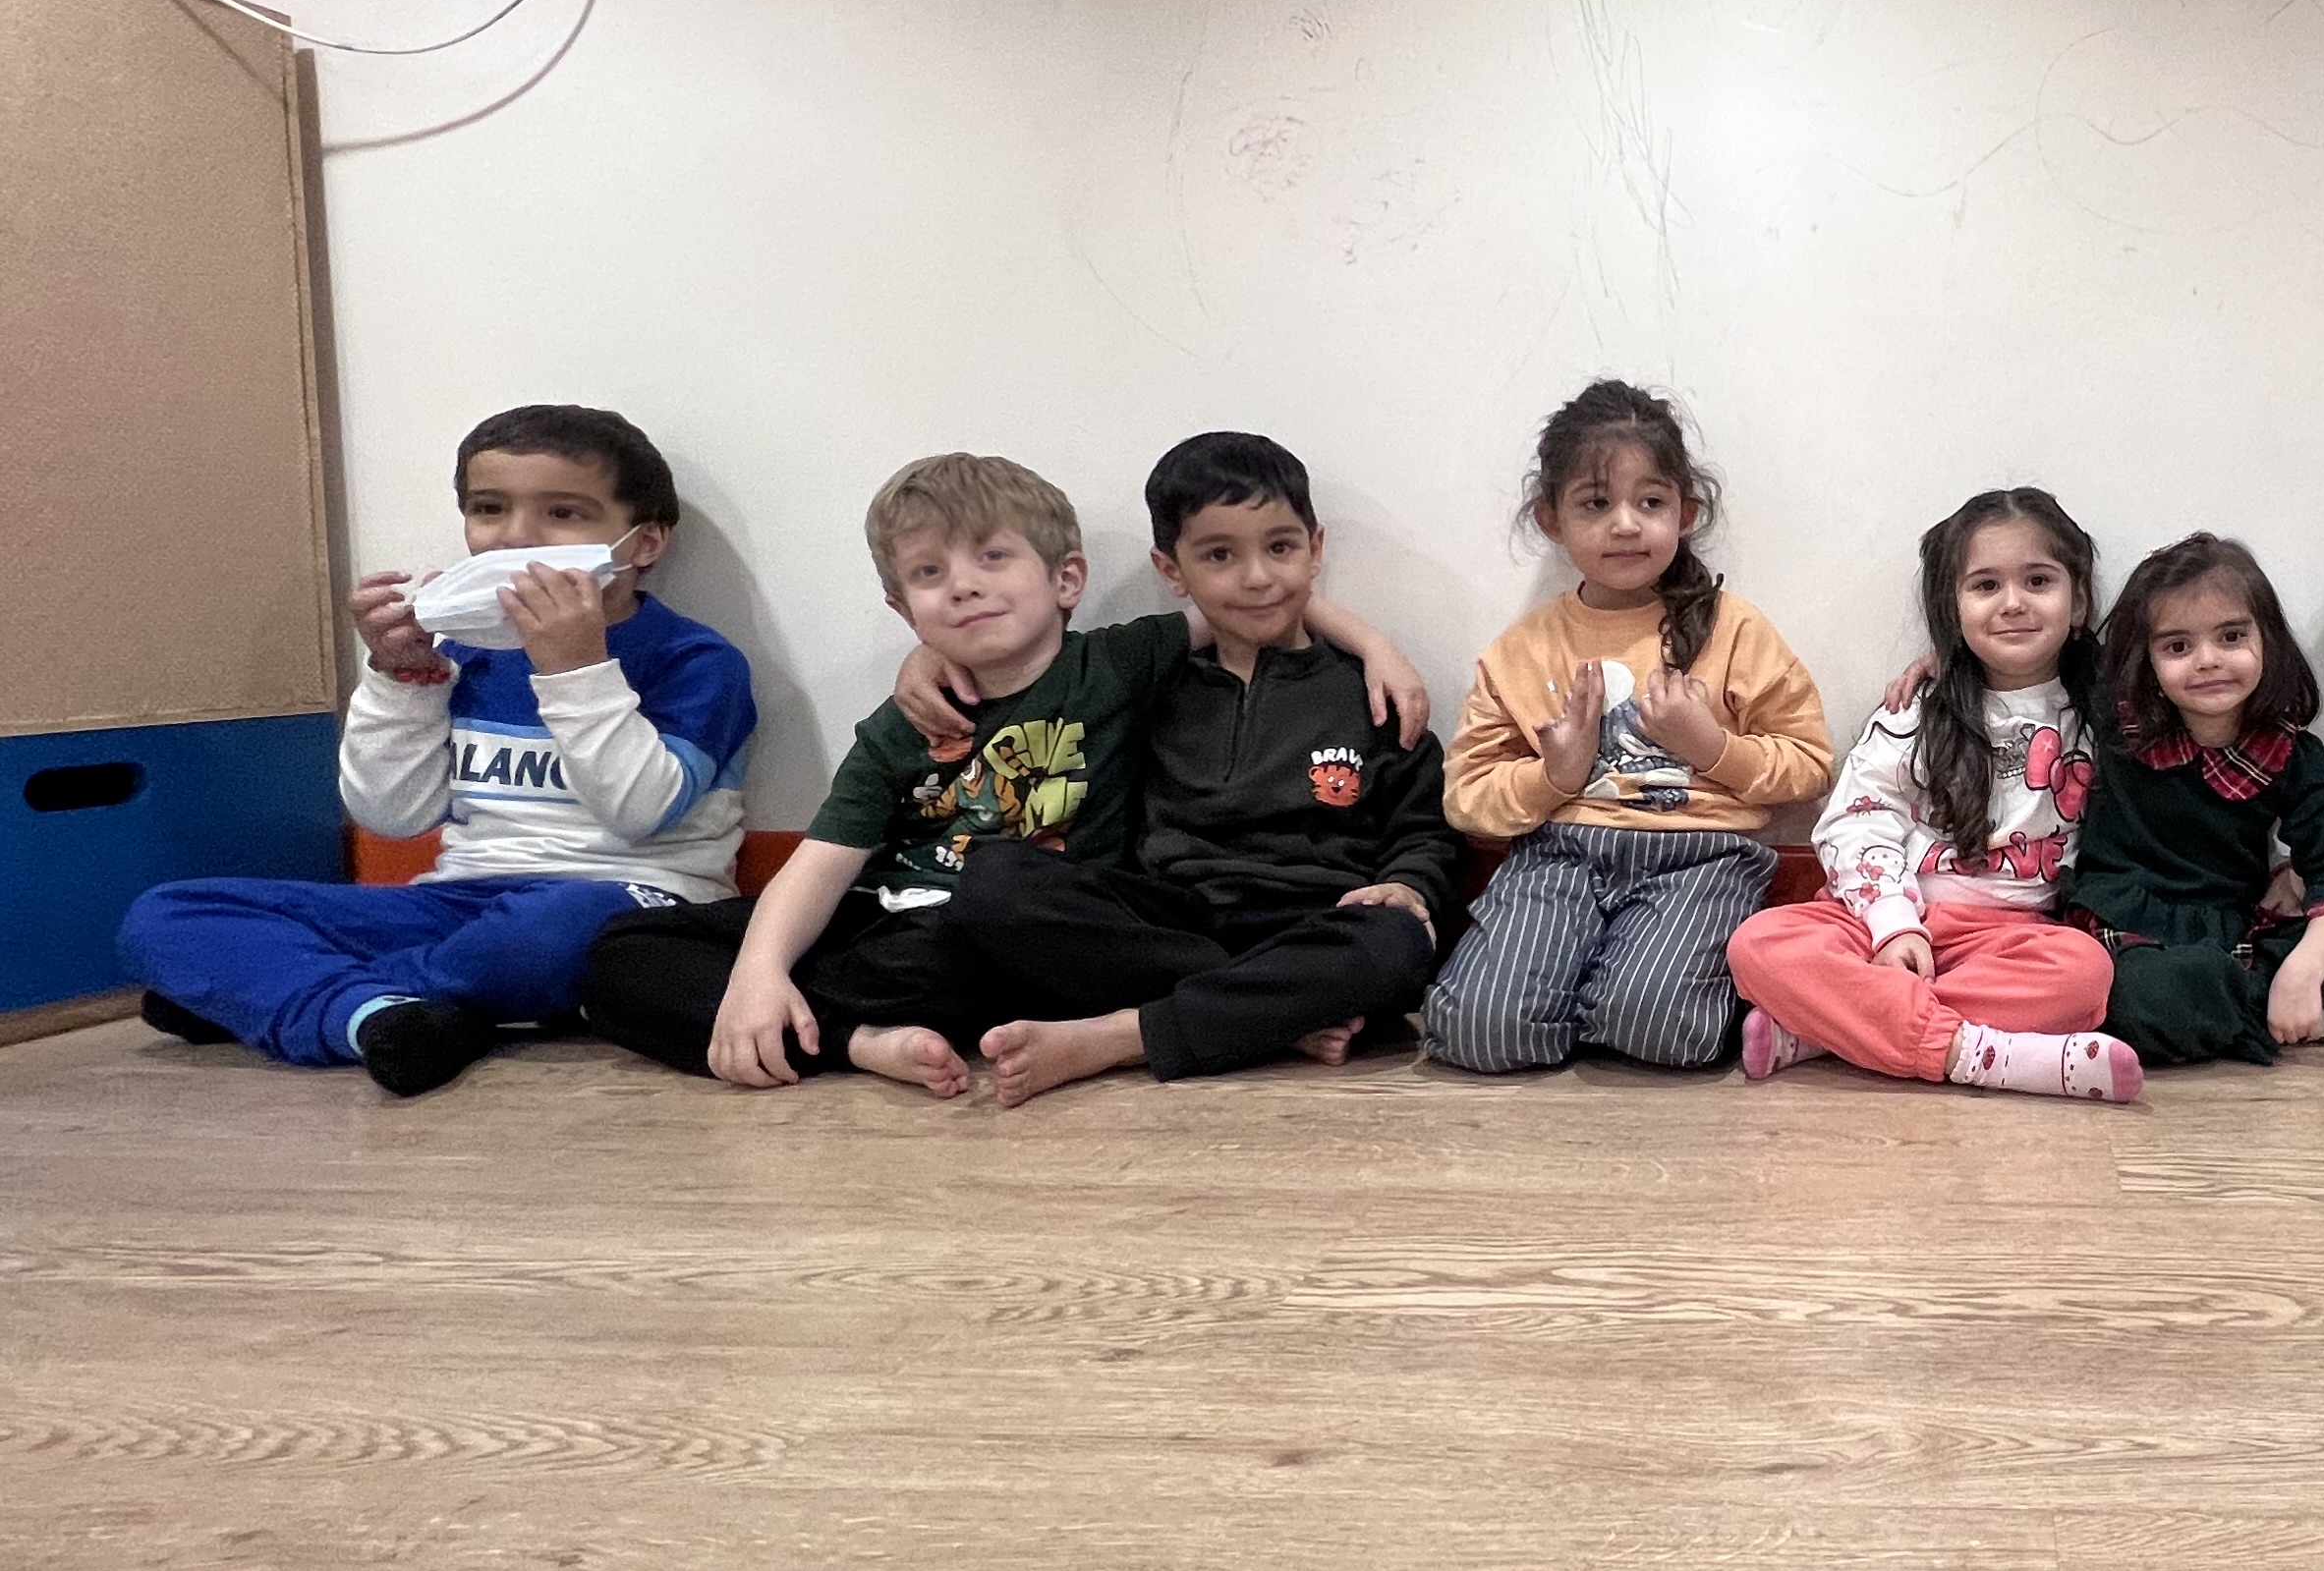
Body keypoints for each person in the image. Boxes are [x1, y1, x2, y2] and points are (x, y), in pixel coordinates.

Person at [581, 447, 1429, 1094]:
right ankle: (861, 1044)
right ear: (901, 606)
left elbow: (1250, 596)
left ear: (1067, 579)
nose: (963, 588)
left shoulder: (1117, 665)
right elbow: (822, 864)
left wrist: (1374, 644)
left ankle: (1184, 1018)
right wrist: (760, 972)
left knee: (1002, 882)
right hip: (899, 937)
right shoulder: (901, 724)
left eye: (991, 558)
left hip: (1030, 943)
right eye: (930, 574)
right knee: (620, 953)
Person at [121, 403, 751, 1096]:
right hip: (459, 903)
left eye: (563, 513)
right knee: (166, 914)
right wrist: (403, 679)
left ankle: (305, 996)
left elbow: (640, 812)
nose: (516, 536)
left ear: (643, 543)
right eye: (489, 509)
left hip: (632, 904)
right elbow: (392, 816)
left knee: (554, 930)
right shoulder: (465, 652)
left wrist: (574, 669)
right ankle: (385, 1016)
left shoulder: (696, 661)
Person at [919, 432, 1457, 1104]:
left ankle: (1125, 1035)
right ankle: (1268, 1015)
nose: (1257, 577)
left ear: (1315, 550)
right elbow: (1034, 673)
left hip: (1315, 922)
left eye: (1280, 547)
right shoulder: (1144, 682)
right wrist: (930, 657)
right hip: (1170, 925)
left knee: (1395, 944)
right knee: (992, 881)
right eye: (1219, 555)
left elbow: (1424, 827)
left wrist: (1407, 884)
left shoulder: (1370, 691)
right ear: (1172, 570)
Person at [1419, 380, 1831, 1073]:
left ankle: (1614, 999)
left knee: (1664, 1032)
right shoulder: (1522, 650)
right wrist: (1554, 776)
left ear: (1686, 512)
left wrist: (1712, 748)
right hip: (1558, 857)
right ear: (1551, 518)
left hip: (1700, 860)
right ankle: (1584, 996)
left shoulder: (1735, 629)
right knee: (1478, 1034)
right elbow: (1467, 796)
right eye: (1595, 503)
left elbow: (1810, 763)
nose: (1626, 525)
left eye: (1651, 502)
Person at [1731, 486, 2135, 1102]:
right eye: (1985, 586)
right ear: (1953, 607)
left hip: (2011, 935)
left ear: (2077, 600)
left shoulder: (2101, 714)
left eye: (2038, 581)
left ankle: (1833, 1030)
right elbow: (1856, 819)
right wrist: (1893, 924)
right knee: (1759, 944)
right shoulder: (1917, 710)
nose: (2013, 603)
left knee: (2085, 975)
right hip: (1882, 919)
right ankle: (1979, 1055)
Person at [2059, 532, 2324, 1068]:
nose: (2208, 660)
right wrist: (1941, 663)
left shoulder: (2292, 753)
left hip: (2235, 930)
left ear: (2267, 640)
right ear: (2147, 661)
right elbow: (2037, 652)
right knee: (2147, 995)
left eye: (2231, 637)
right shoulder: (2117, 724)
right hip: (2134, 928)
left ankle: (2260, 1010)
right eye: (2178, 647)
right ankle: (2300, 1021)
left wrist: (2303, 969)